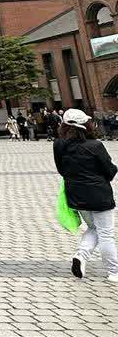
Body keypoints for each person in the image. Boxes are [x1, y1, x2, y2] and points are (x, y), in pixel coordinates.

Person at [56, 109, 117, 282]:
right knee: (105, 234)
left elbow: (62, 169)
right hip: (99, 196)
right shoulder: (95, 145)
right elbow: (110, 171)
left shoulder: (59, 145)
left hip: (76, 195)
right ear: (86, 125)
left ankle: (81, 256)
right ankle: (114, 272)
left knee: (94, 228)